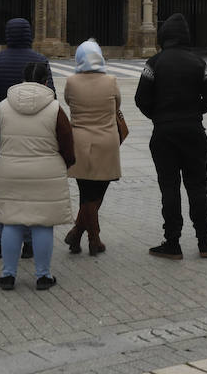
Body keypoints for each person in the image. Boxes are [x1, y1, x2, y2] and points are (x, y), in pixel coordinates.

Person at [136, 13, 207, 260]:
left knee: (169, 187)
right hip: (194, 131)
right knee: (198, 186)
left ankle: (172, 242)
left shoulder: (154, 63)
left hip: (164, 134)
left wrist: (159, 116)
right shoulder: (199, 63)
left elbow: (141, 99)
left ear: (164, 37)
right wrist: (194, 111)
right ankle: (204, 242)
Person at [0, 62, 76, 291]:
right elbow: (67, 144)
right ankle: (42, 275)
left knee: (11, 221)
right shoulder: (54, 108)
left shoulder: (4, 106)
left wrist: (5, 160)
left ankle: (8, 274)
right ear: (45, 81)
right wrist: (65, 163)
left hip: (11, 170)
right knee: (42, 224)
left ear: (22, 79)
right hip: (45, 172)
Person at [0, 18, 55, 259]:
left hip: (4, 132)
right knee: (30, 191)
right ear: (29, 35)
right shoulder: (40, 60)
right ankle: (29, 243)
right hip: (35, 135)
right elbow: (52, 95)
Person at [64, 38, 122, 256]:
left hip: (79, 142)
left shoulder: (71, 81)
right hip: (106, 142)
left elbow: (68, 102)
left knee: (85, 192)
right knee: (97, 193)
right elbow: (117, 105)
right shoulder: (111, 80)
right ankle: (92, 238)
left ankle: (79, 234)